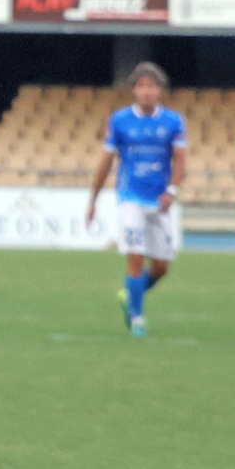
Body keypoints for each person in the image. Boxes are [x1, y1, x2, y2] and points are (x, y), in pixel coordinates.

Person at [86, 62, 186, 339]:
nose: (146, 91)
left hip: (160, 200)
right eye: (141, 86)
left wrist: (172, 191)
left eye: (152, 86)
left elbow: (181, 163)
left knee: (162, 266)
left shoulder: (173, 122)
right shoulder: (119, 121)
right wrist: (93, 199)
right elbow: (106, 162)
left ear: (160, 91)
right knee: (136, 256)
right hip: (129, 197)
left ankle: (128, 293)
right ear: (134, 90)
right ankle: (138, 318)